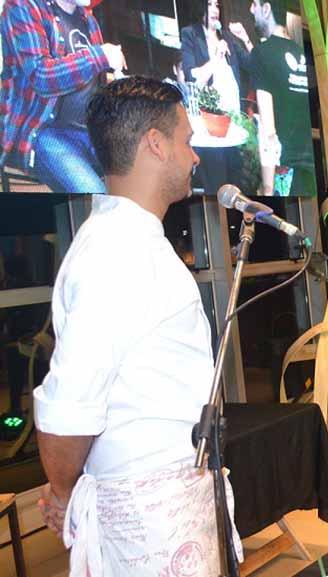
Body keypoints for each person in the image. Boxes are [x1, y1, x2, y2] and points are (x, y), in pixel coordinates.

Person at [33, 76, 242, 574]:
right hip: (146, 515)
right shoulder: (115, 252)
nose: (194, 157)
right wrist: (64, 494)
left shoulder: (133, 239)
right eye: (187, 141)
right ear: (155, 143)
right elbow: (68, 408)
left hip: (171, 496)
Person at [0, 0, 126, 193]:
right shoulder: (22, 6)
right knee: (96, 194)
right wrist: (100, 55)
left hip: (90, 129)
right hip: (44, 131)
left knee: (143, 179)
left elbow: (94, 84)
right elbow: (41, 77)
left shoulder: (89, 21)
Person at [180, 0, 252, 194]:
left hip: (233, 123)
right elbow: (192, 78)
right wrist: (216, 57)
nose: (215, 10)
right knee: (217, 183)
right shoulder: (191, 34)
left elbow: (253, 65)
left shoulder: (226, 36)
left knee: (237, 183)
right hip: (210, 127)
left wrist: (245, 39)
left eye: (217, 5)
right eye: (210, 4)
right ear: (200, 7)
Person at [249, 0, 316, 196]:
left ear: (267, 8)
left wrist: (268, 190)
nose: (251, 10)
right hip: (314, 166)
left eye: (255, 4)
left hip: (288, 171)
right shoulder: (302, 52)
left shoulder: (262, 53)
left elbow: (268, 131)